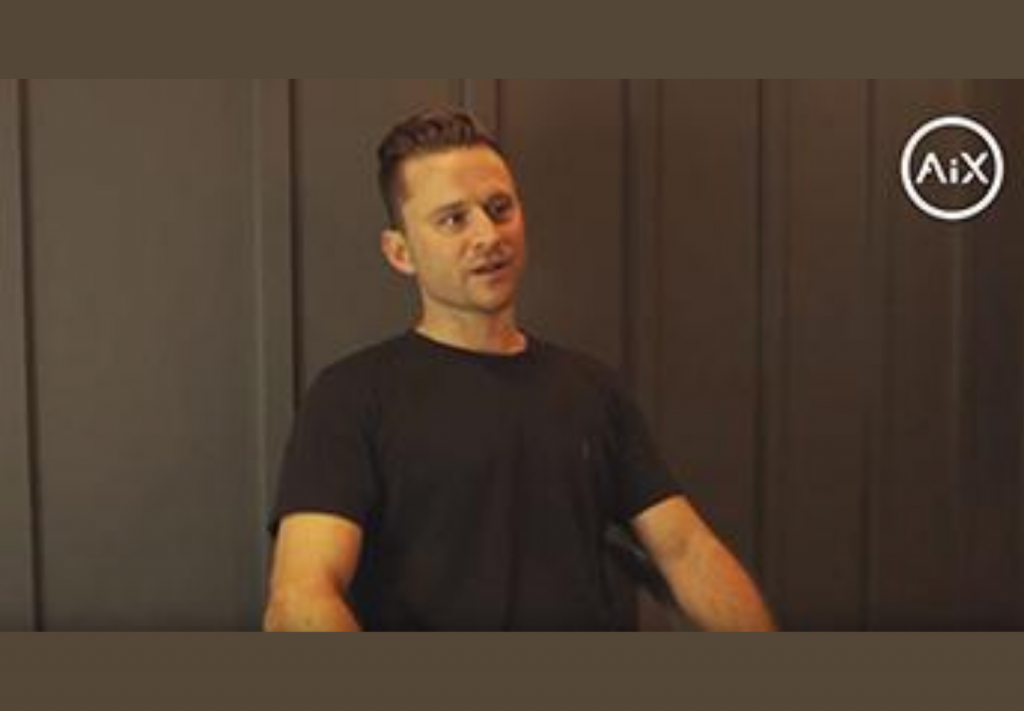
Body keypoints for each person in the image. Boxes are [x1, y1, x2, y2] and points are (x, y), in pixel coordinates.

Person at [264, 107, 777, 632]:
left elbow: (687, 552)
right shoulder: (351, 397)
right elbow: (301, 596)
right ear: (401, 252)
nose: (488, 235)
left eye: (499, 208)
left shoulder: (593, 391)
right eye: (453, 219)